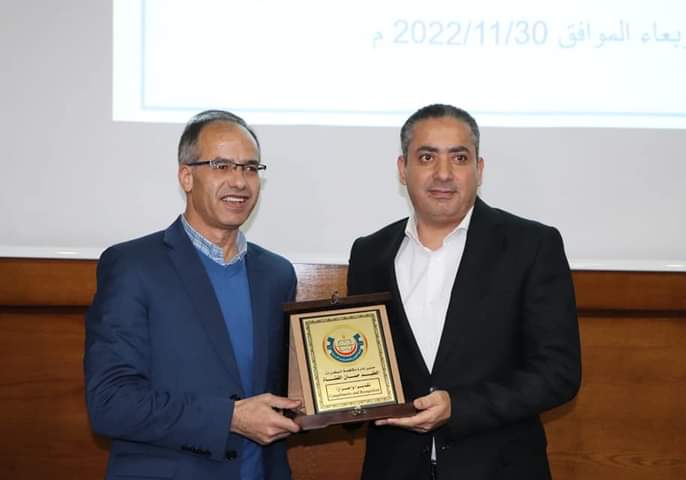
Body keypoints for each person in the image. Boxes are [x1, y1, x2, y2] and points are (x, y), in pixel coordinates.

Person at [347, 104, 581, 479]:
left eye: (459, 158)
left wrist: (459, 407)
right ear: (402, 169)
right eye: (427, 157)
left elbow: (558, 373)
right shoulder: (369, 253)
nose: (443, 173)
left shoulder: (532, 246)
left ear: (479, 169)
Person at [84, 110, 301, 480]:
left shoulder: (276, 274)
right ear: (186, 176)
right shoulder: (133, 266)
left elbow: (278, 389)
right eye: (221, 166)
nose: (239, 181)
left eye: (250, 168)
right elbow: (110, 402)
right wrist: (229, 418)